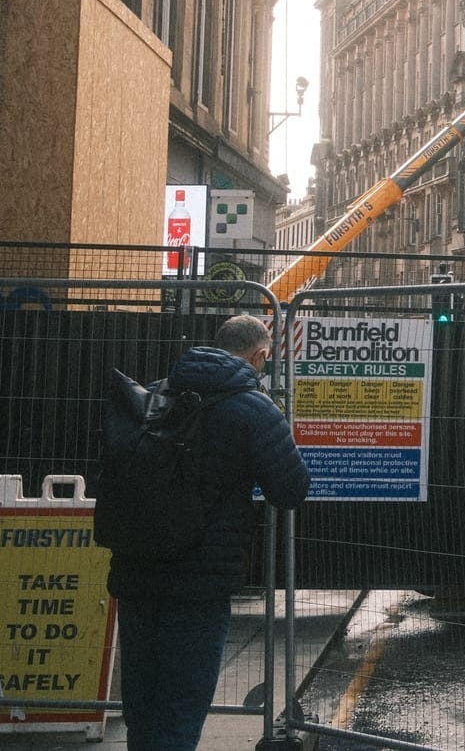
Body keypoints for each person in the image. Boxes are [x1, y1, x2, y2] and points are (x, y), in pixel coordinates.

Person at [107, 314, 312, 751]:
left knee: (142, 701)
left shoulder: (158, 392)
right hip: (201, 578)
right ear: (260, 356)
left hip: (136, 570)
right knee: (182, 703)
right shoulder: (254, 408)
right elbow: (291, 489)